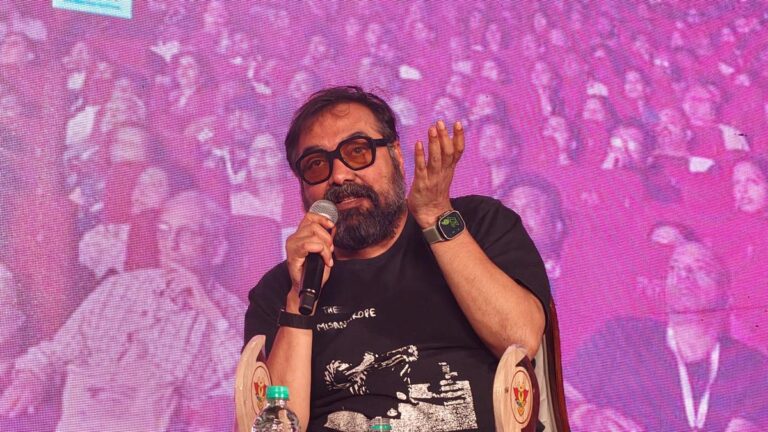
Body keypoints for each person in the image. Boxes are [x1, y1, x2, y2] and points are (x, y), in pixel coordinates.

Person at [244, 86, 550, 431]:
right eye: (316, 165)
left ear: (396, 156)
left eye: (357, 151)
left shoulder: (476, 224)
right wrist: (298, 299)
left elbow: (520, 338)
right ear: (302, 189)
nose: (339, 176)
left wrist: (435, 217)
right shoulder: (281, 290)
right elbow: (277, 425)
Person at [0, 191, 245, 431]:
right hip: (81, 414)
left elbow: (251, 383)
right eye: (164, 231)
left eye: (188, 234)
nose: (171, 245)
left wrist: (208, 308)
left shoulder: (232, 313)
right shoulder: (118, 287)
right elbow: (57, 351)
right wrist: (32, 377)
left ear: (217, 250)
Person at [565, 241, 768, 432]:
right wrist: (587, 415)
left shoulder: (752, 366)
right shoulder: (620, 335)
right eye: (674, 268)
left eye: (701, 268)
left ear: (727, 293)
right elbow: (555, 398)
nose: (683, 275)